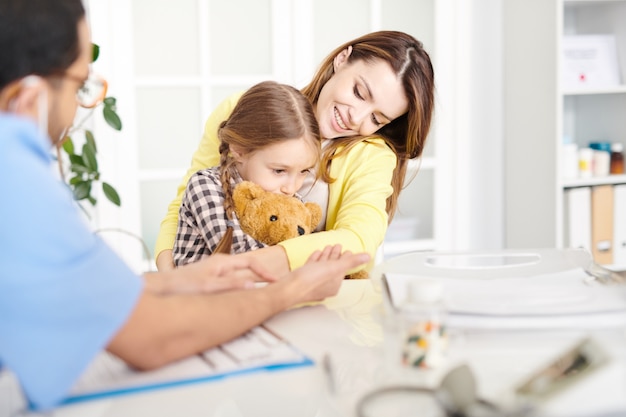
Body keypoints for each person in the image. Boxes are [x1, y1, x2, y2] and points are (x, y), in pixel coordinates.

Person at [0, 0, 370, 410]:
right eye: (79, 85)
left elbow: (70, 296)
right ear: (27, 99)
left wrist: (177, 282)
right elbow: (152, 338)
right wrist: (291, 290)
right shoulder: (16, 184)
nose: (79, 105)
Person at [155, 30, 435, 277]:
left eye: (376, 119)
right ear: (341, 59)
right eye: (359, 93)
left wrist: (254, 266)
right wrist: (173, 279)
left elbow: (360, 239)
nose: (356, 118)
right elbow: (183, 206)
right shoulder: (239, 110)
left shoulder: (372, 155)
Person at [174, 80, 321, 265]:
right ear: (239, 150)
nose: (291, 188)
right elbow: (239, 255)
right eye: (279, 170)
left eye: (303, 171)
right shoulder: (206, 187)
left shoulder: (289, 201)